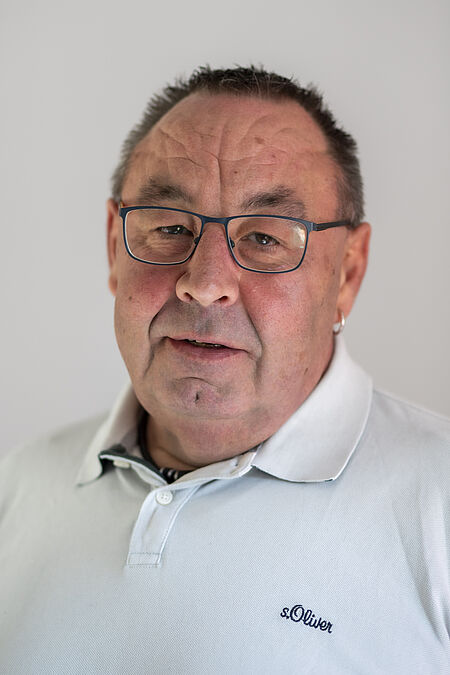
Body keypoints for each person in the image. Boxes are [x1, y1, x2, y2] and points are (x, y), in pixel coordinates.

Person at [0, 65, 448, 674]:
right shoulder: (17, 488)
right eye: (168, 227)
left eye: (265, 238)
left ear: (347, 271)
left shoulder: (439, 507)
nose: (205, 283)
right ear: (113, 245)